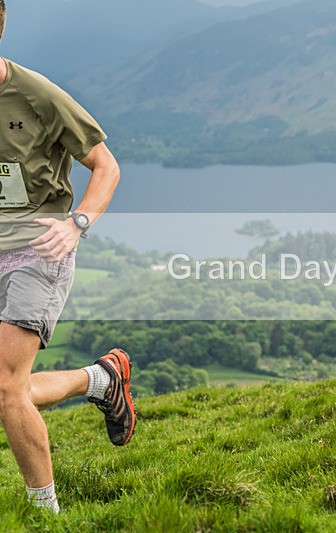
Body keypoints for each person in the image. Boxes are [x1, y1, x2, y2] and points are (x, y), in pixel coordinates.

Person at [0, 1, 136, 513]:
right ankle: (100, 379)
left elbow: (105, 165)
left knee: (6, 388)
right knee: (5, 388)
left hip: (39, 247)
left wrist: (76, 224)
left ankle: (43, 512)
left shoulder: (37, 95)